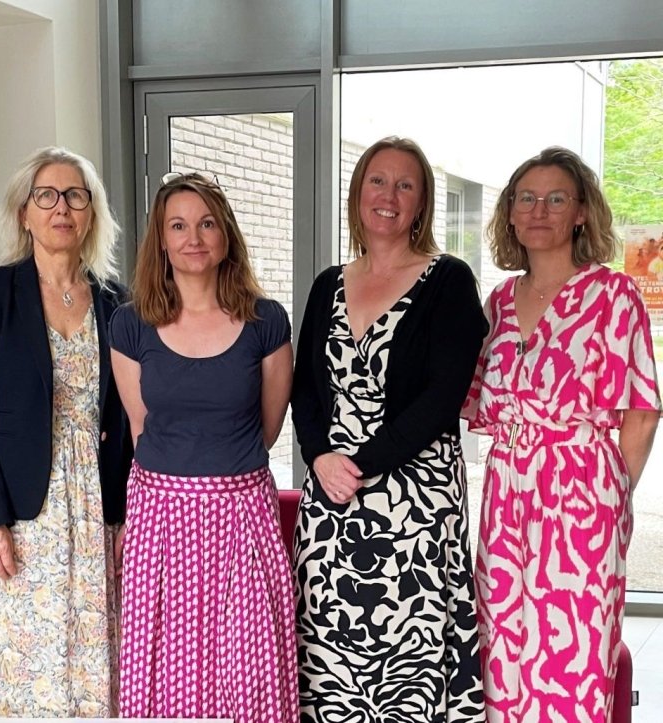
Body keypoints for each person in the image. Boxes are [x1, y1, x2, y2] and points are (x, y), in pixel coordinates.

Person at [290, 136, 486, 720]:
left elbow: (443, 396)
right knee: (330, 664)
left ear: (422, 202)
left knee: (410, 662)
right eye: (378, 181)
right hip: (331, 499)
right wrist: (321, 456)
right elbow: (305, 387)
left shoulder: (448, 279)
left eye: (406, 185)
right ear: (358, 193)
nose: (389, 196)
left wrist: (363, 464)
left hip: (416, 502)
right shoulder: (328, 283)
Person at [464, 146, 660, 721]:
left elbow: (642, 412)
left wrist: (609, 495)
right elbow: (471, 395)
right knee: (500, 638)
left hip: (582, 490)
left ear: (580, 213)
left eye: (556, 198)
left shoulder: (613, 295)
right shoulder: (498, 301)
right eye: (526, 198)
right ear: (510, 212)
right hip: (507, 488)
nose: (539, 210)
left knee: (575, 645)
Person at [0, 147, 133, 716]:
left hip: (96, 508)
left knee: (92, 665)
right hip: (19, 512)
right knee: (23, 673)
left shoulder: (117, 302)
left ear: (92, 214)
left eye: (76, 196)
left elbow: (127, 418)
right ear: (24, 213)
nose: (62, 208)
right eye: (46, 196)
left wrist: (126, 512)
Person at [110, 172, 297, 722]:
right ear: (161, 240)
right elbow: (143, 429)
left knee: (249, 663)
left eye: (207, 223)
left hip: (242, 516)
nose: (194, 236)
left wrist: (217, 480)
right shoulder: (131, 325)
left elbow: (266, 427)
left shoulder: (267, 322)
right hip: (160, 518)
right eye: (178, 225)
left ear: (226, 235)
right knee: (164, 664)